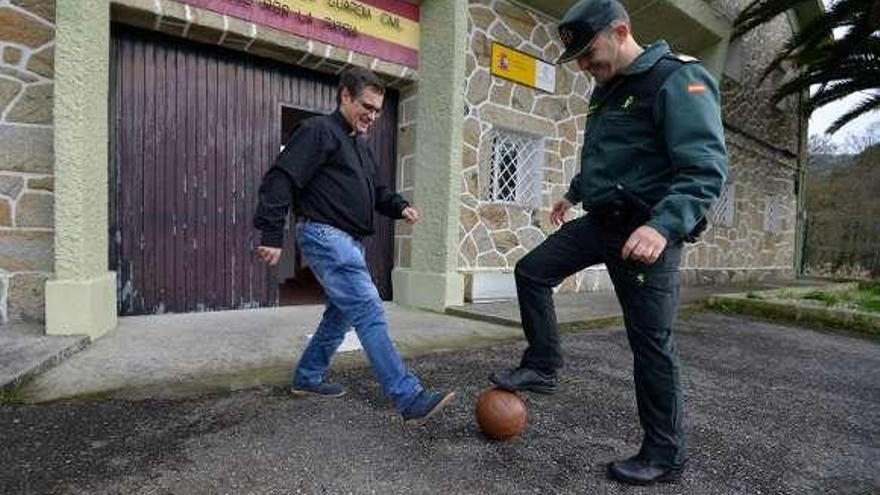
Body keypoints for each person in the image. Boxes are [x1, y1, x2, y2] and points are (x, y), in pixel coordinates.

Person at [489, 0, 728, 485]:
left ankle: (665, 454)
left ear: (621, 31)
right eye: (575, 57)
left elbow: (705, 170)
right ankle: (543, 365)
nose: (582, 64)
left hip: (645, 233)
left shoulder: (676, 79)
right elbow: (610, 157)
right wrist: (573, 194)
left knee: (650, 343)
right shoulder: (607, 87)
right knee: (531, 271)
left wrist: (662, 227)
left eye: (588, 51)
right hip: (601, 221)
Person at [253, 67, 455, 425]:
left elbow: (376, 193)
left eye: (377, 110)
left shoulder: (360, 147)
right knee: (368, 310)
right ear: (345, 96)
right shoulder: (319, 131)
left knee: (341, 314)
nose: (373, 116)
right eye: (366, 106)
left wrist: (399, 206)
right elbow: (280, 177)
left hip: (348, 241)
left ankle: (307, 377)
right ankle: (408, 397)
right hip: (325, 234)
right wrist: (271, 233)